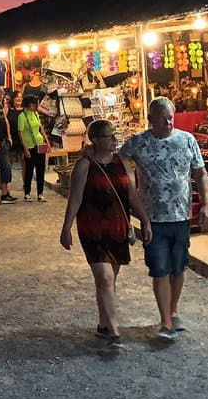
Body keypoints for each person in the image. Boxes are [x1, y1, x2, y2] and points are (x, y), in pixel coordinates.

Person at [119, 97, 208, 340]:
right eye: (162, 119)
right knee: (159, 267)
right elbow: (118, 161)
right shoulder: (138, 143)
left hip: (181, 215)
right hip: (153, 218)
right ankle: (166, 320)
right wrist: (130, 184)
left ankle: (173, 309)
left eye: (170, 118)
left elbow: (200, 173)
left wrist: (206, 205)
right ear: (151, 119)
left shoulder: (187, 140)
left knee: (178, 266)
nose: (167, 123)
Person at [60, 120, 152, 344]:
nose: (114, 139)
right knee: (105, 276)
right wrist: (66, 228)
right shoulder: (84, 165)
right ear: (96, 140)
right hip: (92, 227)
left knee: (109, 280)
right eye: (109, 136)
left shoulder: (123, 163)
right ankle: (113, 328)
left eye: (114, 135)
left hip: (117, 226)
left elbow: (131, 196)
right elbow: (75, 198)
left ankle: (103, 324)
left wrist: (145, 220)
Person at [18, 93, 49, 202]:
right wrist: (25, 148)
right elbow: (20, 133)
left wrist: (47, 141)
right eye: (36, 103)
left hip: (39, 144)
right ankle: (27, 193)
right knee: (29, 170)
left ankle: (40, 193)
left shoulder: (36, 114)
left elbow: (41, 128)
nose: (37, 106)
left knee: (41, 169)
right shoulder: (22, 116)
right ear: (31, 104)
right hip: (29, 146)